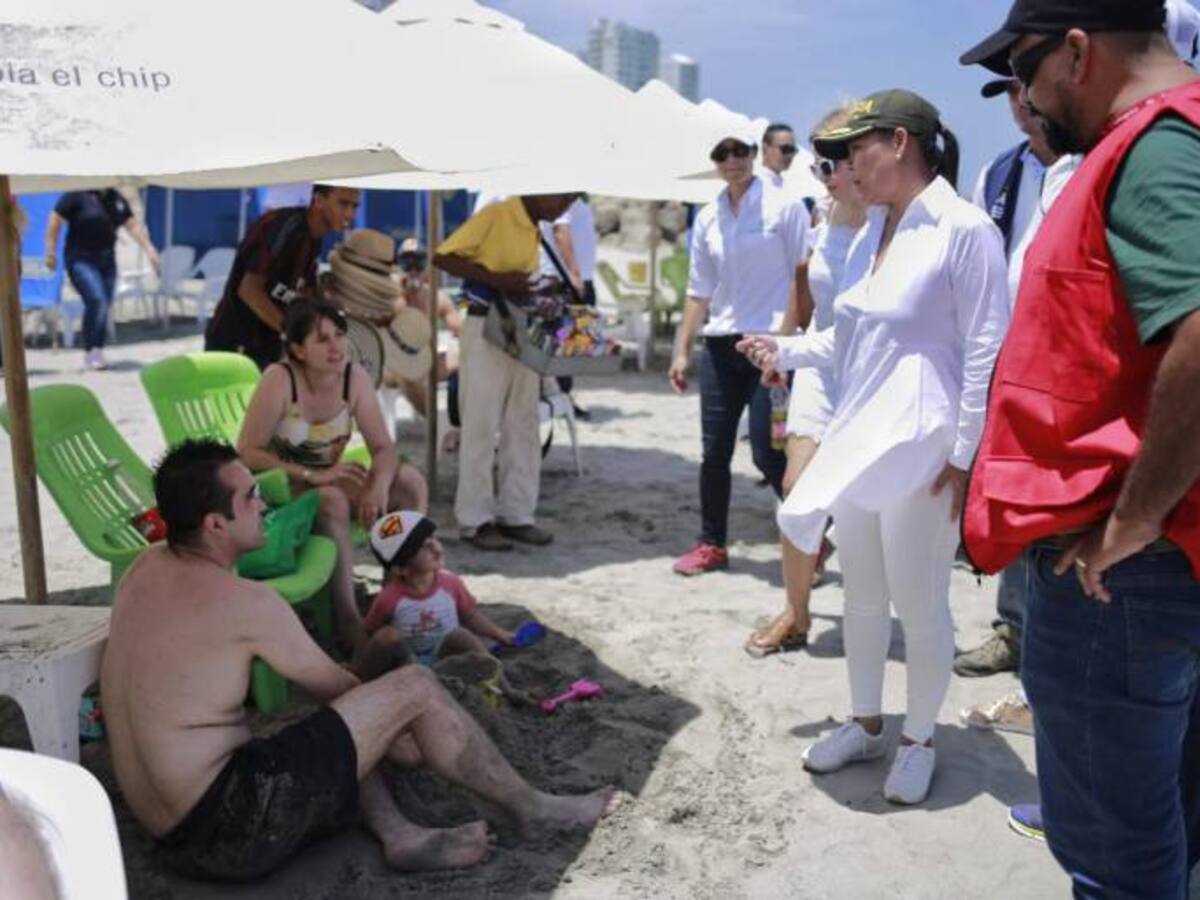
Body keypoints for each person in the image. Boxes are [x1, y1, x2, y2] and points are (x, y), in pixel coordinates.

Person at [100, 440, 615, 882]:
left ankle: (400, 835)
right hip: (234, 828)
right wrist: (406, 734)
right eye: (250, 496)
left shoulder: (142, 571)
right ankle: (534, 809)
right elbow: (341, 689)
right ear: (215, 523)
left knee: (320, 727)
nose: (263, 504)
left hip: (166, 832)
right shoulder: (248, 604)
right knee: (413, 686)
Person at [960, 0, 1200, 894]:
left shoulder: (1157, 145)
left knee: (1116, 858)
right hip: (1155, 563)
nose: (1022, 96)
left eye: (1024, 71)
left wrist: (1132, 521)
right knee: (1163, 828)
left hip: (1122, 574)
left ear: (1075, 49)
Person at [739, 89, 1009, 804]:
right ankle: (866, 723)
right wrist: (784, 349)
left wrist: (963, 456)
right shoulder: (874, 231)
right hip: (860, 436)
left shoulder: (965, 227)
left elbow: (987, 350)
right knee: (861, 595)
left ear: (899, 142)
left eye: (857, 150)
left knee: (920, 605)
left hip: (924, 446)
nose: (848, 167)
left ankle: (918, 738)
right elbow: (851, 335)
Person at [746, 105, 867, 657]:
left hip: (872, 369)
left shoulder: (896, 215)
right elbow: (805, 282)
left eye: (837, 160)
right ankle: (796, 613)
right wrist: (783, 345)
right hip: (818, 365)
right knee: (796, 492)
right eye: (821, 162)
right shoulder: (823, 211)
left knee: (864, 505)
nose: (828, 173)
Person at [237, 299, 427, 651]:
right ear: (297, 349)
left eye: (339, 335)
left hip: (328, 478)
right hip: (282, 490)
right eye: (322, 339)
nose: (336, 346)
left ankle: (395, 593)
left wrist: (378, 487)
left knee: (409, 483)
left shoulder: (353, 378)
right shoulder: (280, 380)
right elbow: (248, 452)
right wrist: (311, 474)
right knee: (333, 498)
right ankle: (348, 620)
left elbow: (383, 448)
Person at [953, 78, 1063, 681]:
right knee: (1010, 490)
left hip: (1062, 361)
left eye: (1027, 86)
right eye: (1009, 92)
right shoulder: (999, 172)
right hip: (1003, 356)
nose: (1020, 101)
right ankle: (1015, 629)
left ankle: (1040, 640)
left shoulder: (1091, 158)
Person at [669, 129, 811, 577]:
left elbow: (801, 276)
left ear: (754, 154)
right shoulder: (708, 215)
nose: (733, 160)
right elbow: (698, 290)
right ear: (713, 162)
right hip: (719, 344)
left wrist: (783, 344)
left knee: (768, 454)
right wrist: (680, 350)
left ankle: (811, 536)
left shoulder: (785, 206)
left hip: (768, 343)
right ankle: (712, 543)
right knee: (714, 452)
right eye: (722, 153)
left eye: (740, 151)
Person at [433, 193, 578, 552]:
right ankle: (475, 519)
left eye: (573, 199)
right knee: (481, 424)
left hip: (522, 326)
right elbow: (443, 256)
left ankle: (517, 515)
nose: (564, 207)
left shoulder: (532, 225)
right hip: (486, 325)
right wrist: (499, 280)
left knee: (524, 423)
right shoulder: (498, 213)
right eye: (563, 197)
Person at [353, 511, 529, 704]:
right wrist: (361, 661)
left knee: (461, 635)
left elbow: (470, 615)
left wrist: (498, 633)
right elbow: (369, 632)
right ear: (401, 569)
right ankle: (357, 682)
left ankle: (506, 690)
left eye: (433, 538)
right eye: (422, 546)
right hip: (405, 663)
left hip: (445, 657)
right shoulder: (389, 597)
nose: (434, 547)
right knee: (387, 635)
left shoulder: (451, 583)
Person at [205, 185, 361, 370]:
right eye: (343, 204)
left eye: (355, 206)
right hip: (235, 342)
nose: (350, 214)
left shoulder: (313, 238)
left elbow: (302, 295)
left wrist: (331, 305)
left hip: (265, 346)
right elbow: (249, 290)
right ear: (318, 200)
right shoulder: (286, 226)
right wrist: (293, 333)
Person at [43, 189, 159, 371]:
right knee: (97, 300)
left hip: (106, 260)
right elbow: (55, 219)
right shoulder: (77, 195)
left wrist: (149, 249)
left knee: (105, 303)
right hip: (80, 259)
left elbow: (132, 224)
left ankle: (97, 348)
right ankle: (91, 349)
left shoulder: (114, 198)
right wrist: (50, 251)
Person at [760, 123, 801, 190]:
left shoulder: (789, 189)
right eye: (785, 149)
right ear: (765, 148)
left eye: (792, 150)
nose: (789, 155)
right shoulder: (750, 185)